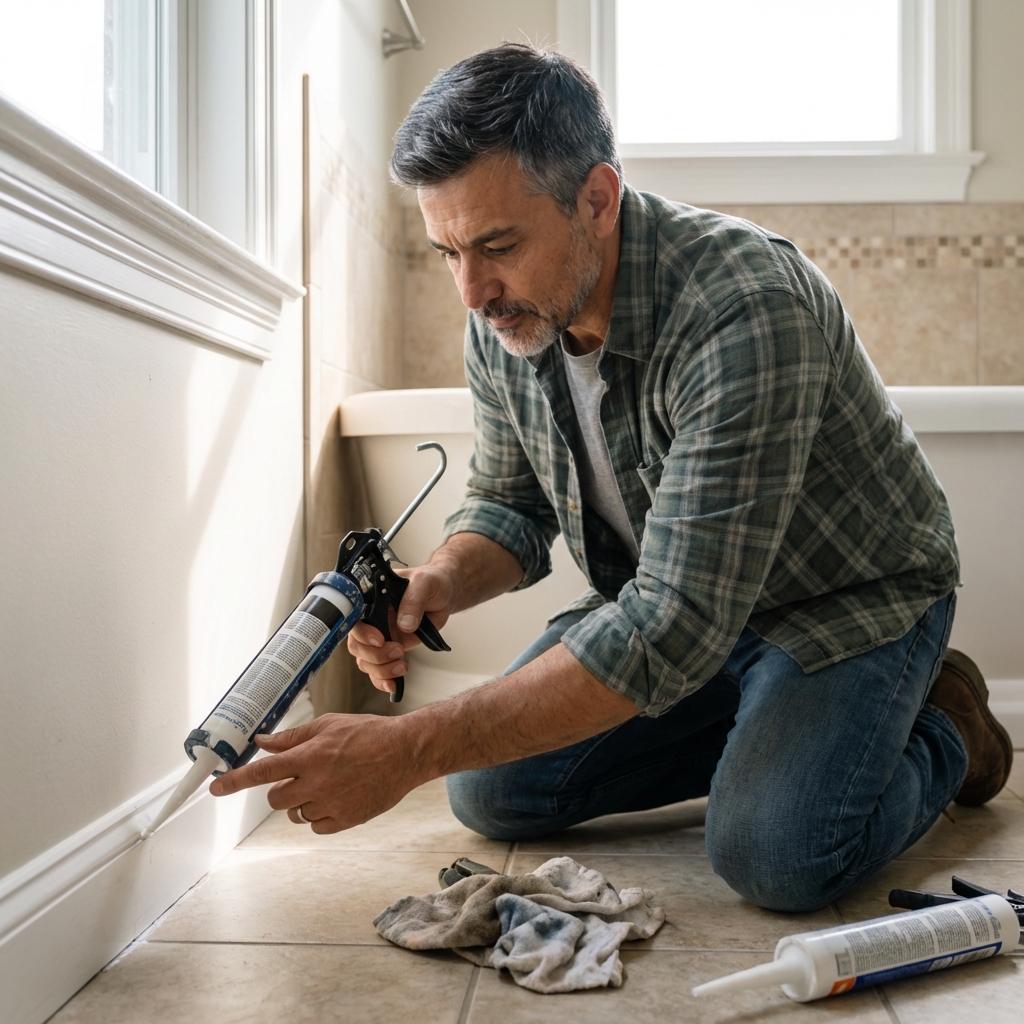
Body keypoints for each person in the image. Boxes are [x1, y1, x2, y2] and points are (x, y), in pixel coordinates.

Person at [210, 43, 1013, 912]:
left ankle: (945, 729)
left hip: (843, 602)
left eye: (496, 245)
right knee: (490, 792)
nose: (471, 291)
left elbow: (671, 624)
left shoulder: (744, 308)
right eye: (447, 252)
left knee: (774, 854)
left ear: (597, 200)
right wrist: (435, 580)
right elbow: (509, 505)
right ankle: (779, 733)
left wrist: (409, 748)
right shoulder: (506, 317)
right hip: (687, 608)